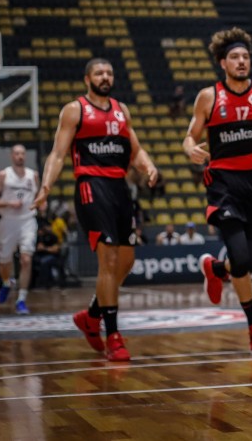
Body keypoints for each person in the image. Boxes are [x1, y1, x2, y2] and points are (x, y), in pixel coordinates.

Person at [33, 58, 158, 362]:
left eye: (109, 73)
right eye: (99, 73)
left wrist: (148, 165)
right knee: (109, 258)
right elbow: (58, 154)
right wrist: (46, 187)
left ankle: (90, 315)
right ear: (87, 78)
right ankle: (113, 335)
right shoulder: (74, 110)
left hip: (119, 188)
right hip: (91, 184)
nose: (105, 77)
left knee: (125, 262)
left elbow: (135, 148)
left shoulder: (121, 109)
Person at [184, 27, 252, 355]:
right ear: (222, 62)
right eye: (235, 57)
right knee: (242, 259)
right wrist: (190, 148)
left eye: (245, 56)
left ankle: (215, 268)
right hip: (224, 185)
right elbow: (189, 136)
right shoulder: (209, 97)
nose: (242, 61)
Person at [0, 144, 39, 314]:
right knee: (4, 262)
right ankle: (6, 282)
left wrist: (41, 203)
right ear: (12, 156)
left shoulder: (33, 176)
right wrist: (9, 203)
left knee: (26, 259)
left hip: (27, 221)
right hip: (8, 221)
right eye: (17, 153)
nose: (20, 156)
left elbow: (38, 197)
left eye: (22, 153)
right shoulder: (3, 175)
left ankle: (22, 299)